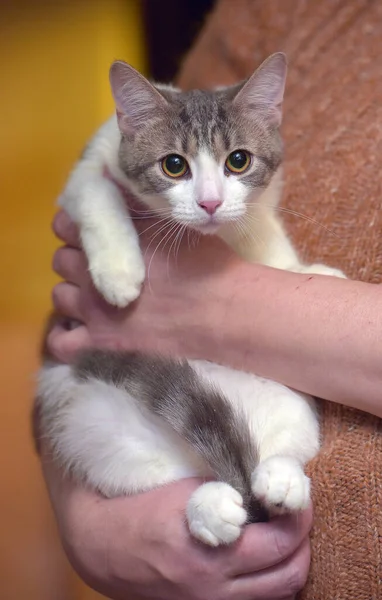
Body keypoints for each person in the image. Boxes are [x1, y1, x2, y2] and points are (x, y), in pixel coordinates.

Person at [40, 1, 382, 599]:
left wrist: (222, 307)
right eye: (177, 167)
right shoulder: (278, 12)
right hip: (150, 452)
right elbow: (75, 324)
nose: (207, 200)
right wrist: (86, 522)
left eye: (237, 161)